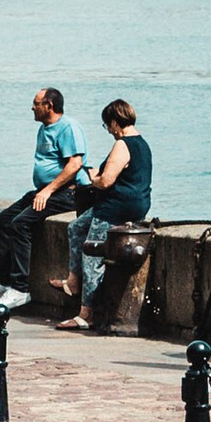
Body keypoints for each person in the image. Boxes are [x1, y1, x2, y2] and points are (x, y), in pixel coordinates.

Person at [0, 87, 86, 310]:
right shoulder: (44, 128)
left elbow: (74, 164)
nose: (32, 107)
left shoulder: (68, 127)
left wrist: (48, 190)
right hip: (44, 189)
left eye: (36, 103)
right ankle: (3, 281)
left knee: (21, 224)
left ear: (49, 106)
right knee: (4, 219)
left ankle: (20, 288)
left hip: (66, 192)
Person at [59, 100, 154, 330]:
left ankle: (86, 314)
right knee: (76, 228)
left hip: (115, 207)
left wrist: (93, 177)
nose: (109, 131)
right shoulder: (143, 144)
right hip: (135, 204)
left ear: (114, 122)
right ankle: (73, 280)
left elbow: (106, 181)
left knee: (92, 253)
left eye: (107, 126)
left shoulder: (123, 144)